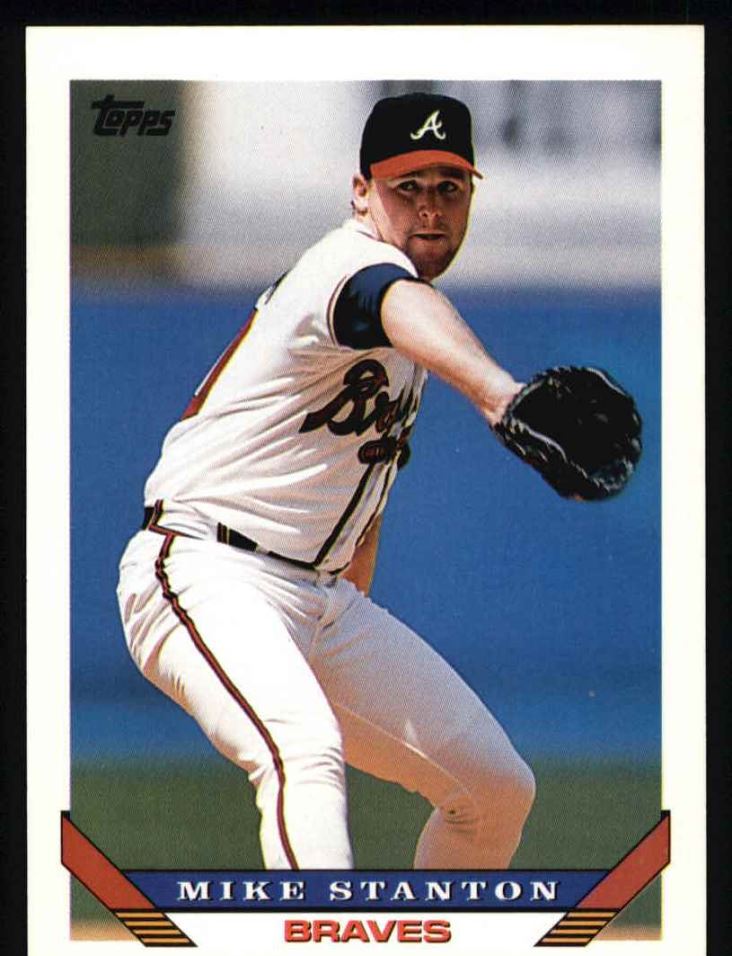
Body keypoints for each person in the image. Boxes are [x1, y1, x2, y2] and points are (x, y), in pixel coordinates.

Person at [117, 92, 536, 871]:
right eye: (407, 187)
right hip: (204, 566)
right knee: (302, 754)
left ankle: (439, 943)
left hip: (317, 597)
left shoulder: (412, 324)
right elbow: (388, 296)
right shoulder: (349, 266)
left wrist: (349, 634)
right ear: (360, 192)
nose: (430, 207)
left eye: (449, 187)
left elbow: (363, 496)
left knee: (494, 788)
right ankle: (318, 944)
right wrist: (500, 395)